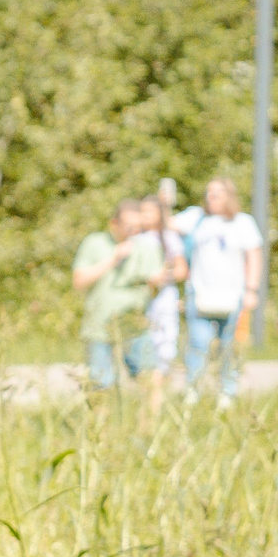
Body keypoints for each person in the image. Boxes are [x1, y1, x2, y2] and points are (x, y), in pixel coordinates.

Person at [72, 197, 169, 412]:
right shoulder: (95, 243)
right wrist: (114, 259)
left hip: (134, 326)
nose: (134, 231)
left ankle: (148, 435)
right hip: (99, 328)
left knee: (151, 380)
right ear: (114, 223)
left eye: (138, 226)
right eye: (128, 226)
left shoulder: (148, 247)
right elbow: (79, 281)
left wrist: (156, 283)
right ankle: (101, 438)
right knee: (99, 386)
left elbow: (155, 290)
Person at [183, 176, 264, 406]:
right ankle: (194, 390)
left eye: (216, 193)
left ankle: (227, 391)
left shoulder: (242, 222)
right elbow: (167, 223)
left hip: (233, 295)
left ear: (229, 196)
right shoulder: (197, 219)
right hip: (199, 294)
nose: (211, 198)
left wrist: (252, 289)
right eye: (208, 193)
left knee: (229, 345)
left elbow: (254, 255)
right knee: (198, 344)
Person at [145, 182, 190, 397]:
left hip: (164, 298)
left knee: (166, 345)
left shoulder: (169, 238)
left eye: (150, 211)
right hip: (142, 299)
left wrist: (163, 277)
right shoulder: (135, 239)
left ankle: (159, 386)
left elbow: (182, 270)